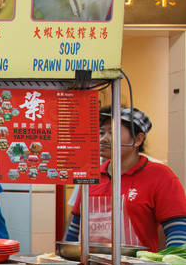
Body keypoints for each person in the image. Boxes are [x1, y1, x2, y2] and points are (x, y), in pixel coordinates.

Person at [65, 107, 186, 251]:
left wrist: (172, 262)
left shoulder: (160, 175)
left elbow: (177, 227)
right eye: (102, 132)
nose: (103, 139)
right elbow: (76, 225)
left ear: (138, 139)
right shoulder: (91, 175)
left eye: (113, 132)